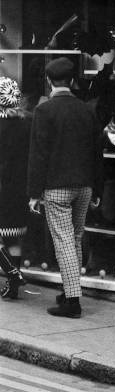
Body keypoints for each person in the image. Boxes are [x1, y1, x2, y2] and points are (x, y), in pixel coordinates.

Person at [27, 57, 103, 318]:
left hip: (57, 186)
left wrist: (34, 193)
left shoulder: (44, 111)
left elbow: (39, 155)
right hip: (85, 186)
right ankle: (69, 289)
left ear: (49, 82)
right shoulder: (86, 110)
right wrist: (98, 189)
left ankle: (72, 301)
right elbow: (97, 153)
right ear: (71, 81)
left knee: (64, 242)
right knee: (76, 238)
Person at [0, 77, 30, 299]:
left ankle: (12, 272)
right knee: (14, 238)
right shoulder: (27, 123)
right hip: (20, 188)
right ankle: (13, 286)